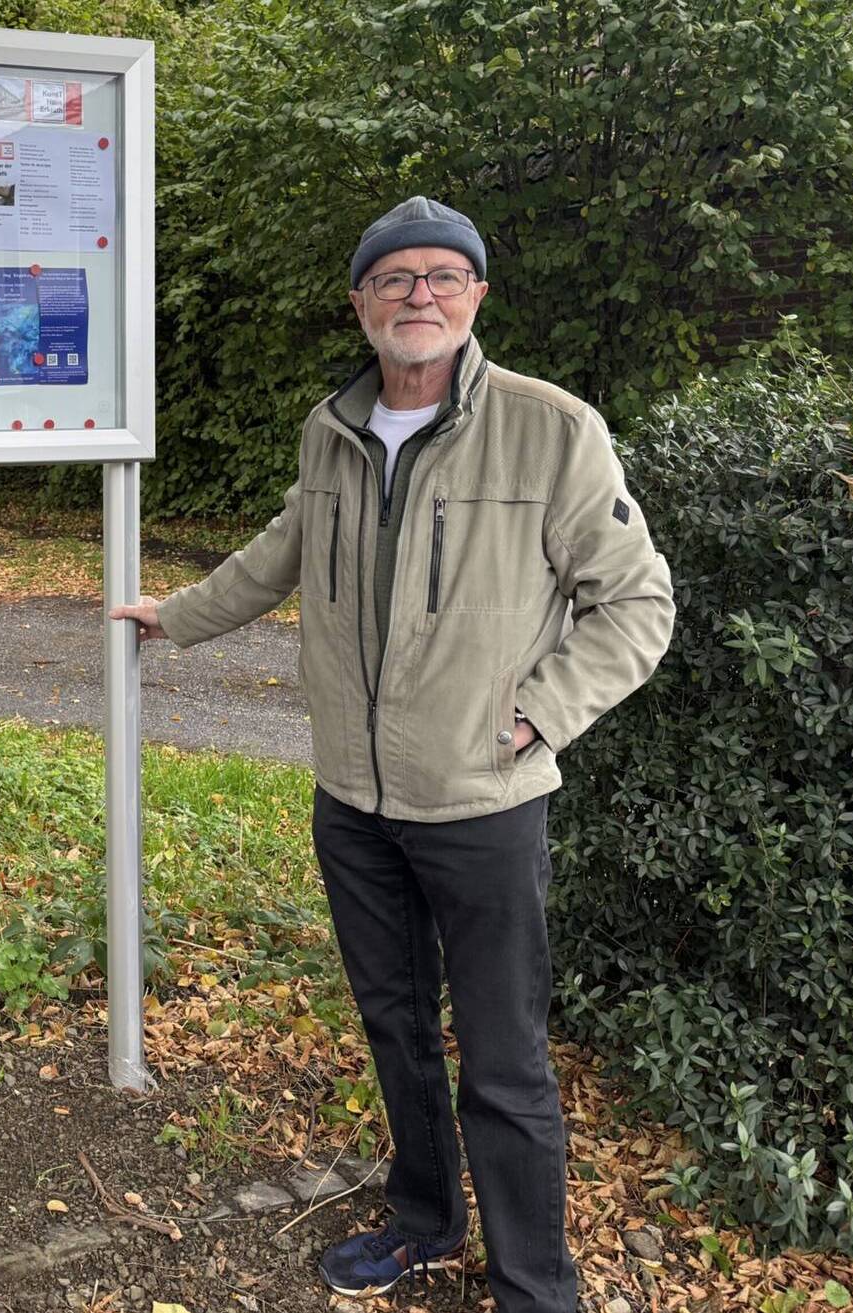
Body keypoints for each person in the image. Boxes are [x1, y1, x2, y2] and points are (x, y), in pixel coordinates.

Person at [112, 196, 674, 1311]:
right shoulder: (334, 428)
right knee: (394, 1024)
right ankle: (423, 1218)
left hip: (481, 799)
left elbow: (636, 603)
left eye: (441, 277)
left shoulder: (550, 426)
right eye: (394, 278)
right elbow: (277, 554)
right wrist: (167, 616)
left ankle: (531, 1283)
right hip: (352, 801)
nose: (418, 296)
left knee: (504, 1059)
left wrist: (539, 713)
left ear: (474, 297)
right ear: (360, 301)